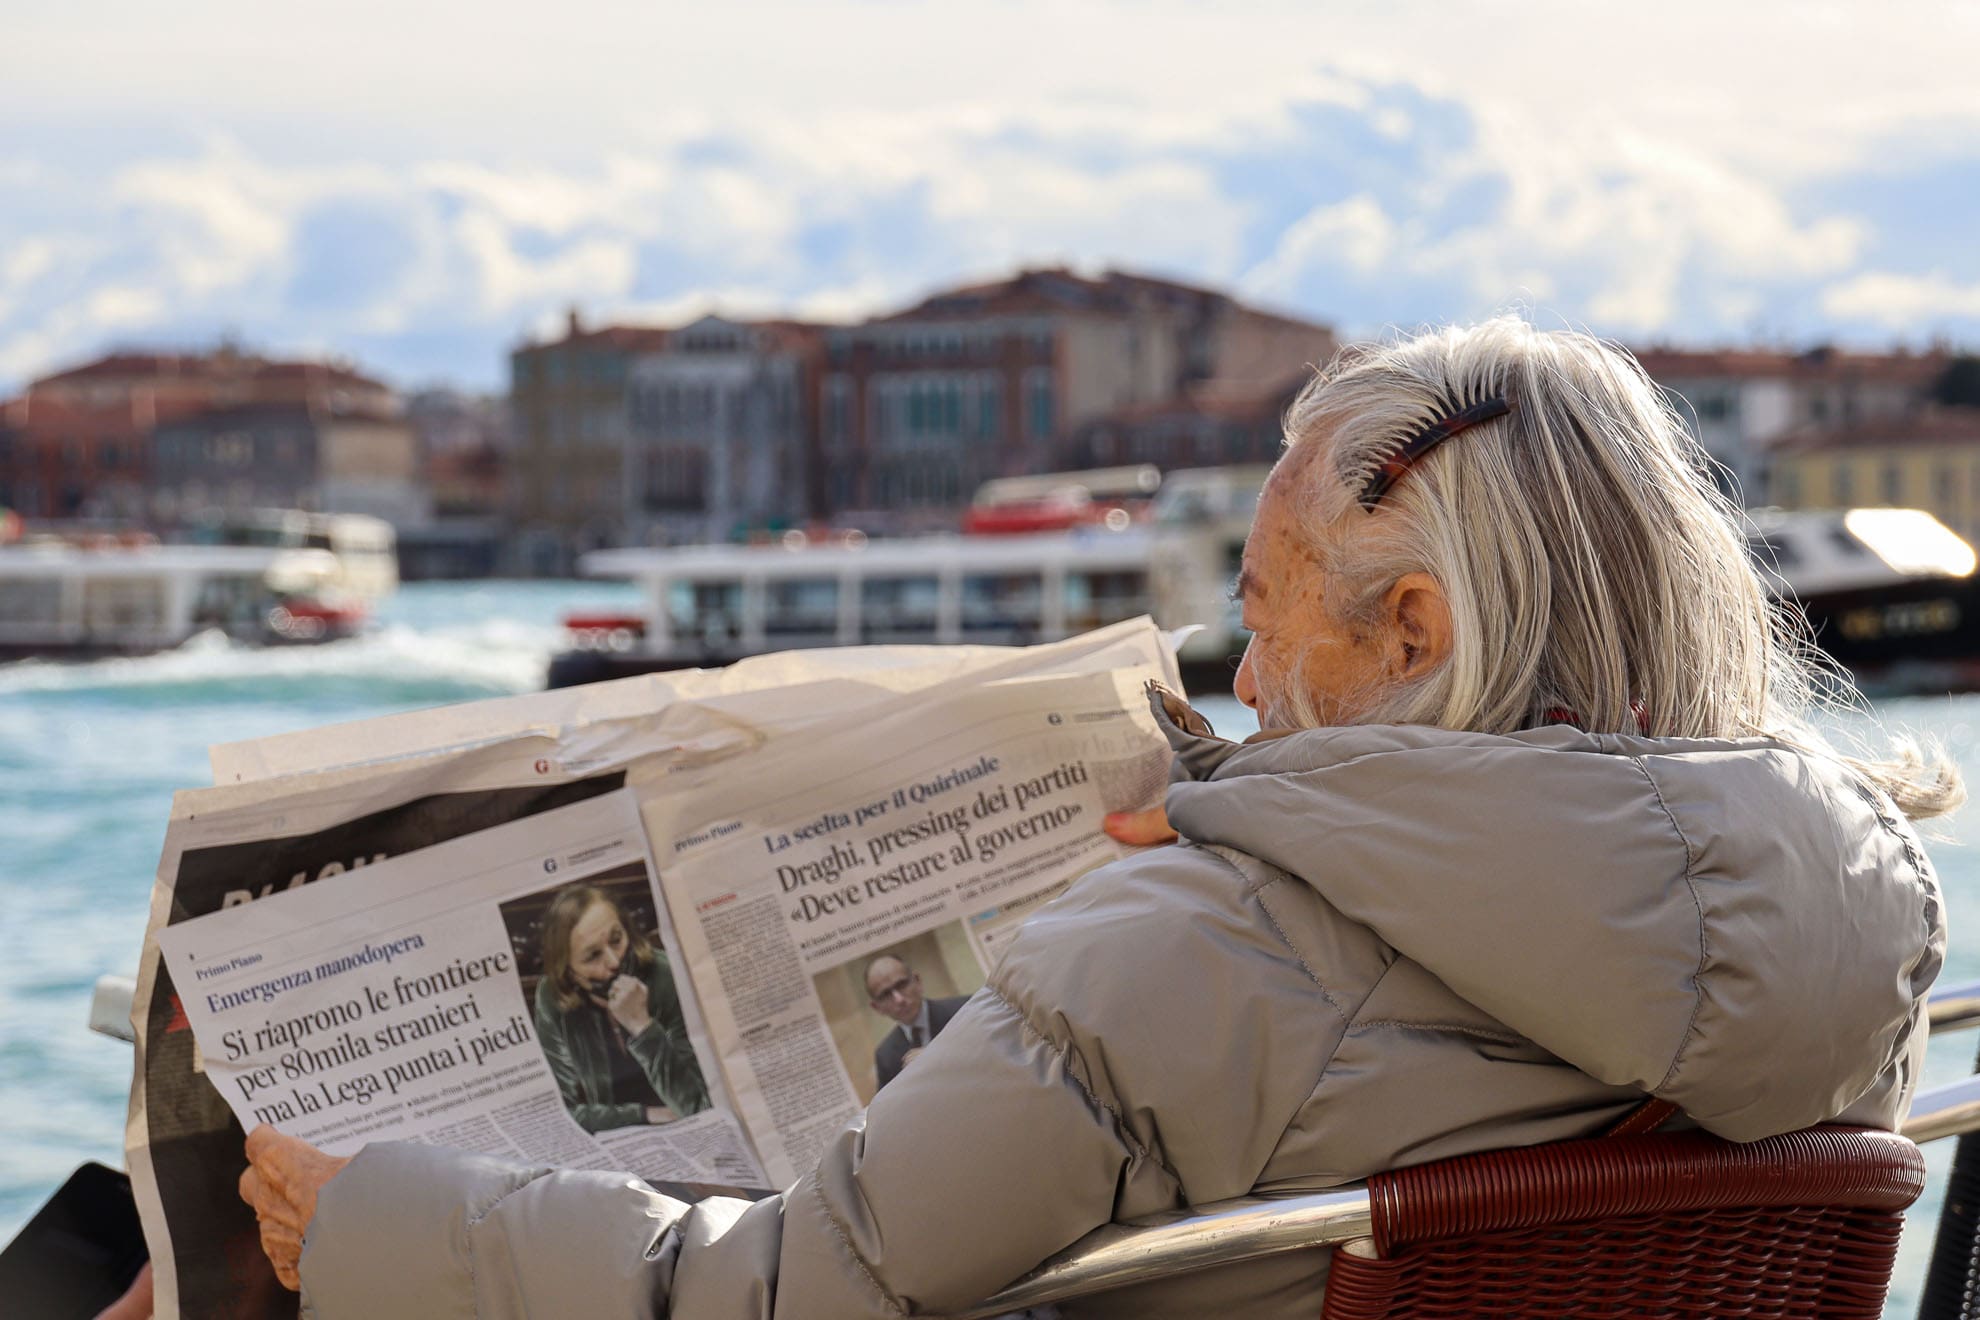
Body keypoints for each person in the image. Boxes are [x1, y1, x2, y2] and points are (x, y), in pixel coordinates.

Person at [242, 320, 1955, 1318]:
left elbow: (785, 1294)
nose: (1244, 673)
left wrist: (388, 1224)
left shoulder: (1199, 953)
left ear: (1414, 631)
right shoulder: (1861, 942)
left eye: (1266, 611)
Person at [532, 883, 709, 1132]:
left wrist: (642, 1027)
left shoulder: (665, 975)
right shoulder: (551, 996)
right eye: (593, 956)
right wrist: (643, 1114)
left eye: (616, 940)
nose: (614, 962)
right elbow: (559, 1113)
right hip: (623, 1136)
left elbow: (698, 1106)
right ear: (568, 970)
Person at [864, 955, 970, 1091]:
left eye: (901, 985)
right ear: (877, 1007)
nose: (899, 1000)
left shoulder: (964, 1009)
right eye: (886, 994)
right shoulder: (885, 1055)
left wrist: (937, 1057)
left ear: (917, 981)